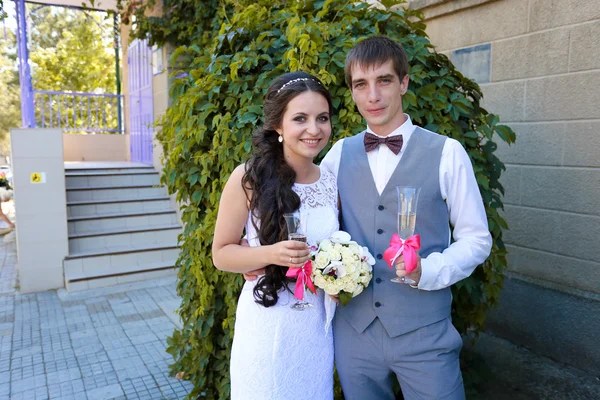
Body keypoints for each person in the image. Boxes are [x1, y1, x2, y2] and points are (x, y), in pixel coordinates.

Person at [319, 36, 493, 399]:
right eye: (360, 84)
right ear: (351, 91)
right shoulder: (337, 154)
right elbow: (314, 225)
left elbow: (476, 239)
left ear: (404, 82)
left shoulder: (447, 152)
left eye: (383, 80)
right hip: (355, 333)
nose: (373, 96)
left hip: (425, 334)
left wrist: (426, 271)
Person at [212, 71, 339, 399]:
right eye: (301, 118)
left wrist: (343, 280)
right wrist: (270, 254)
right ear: (278, 126)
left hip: (316, 329)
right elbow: (221, 253)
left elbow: (339, 250)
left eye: (322, 118)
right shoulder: (248, 178)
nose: (314, 129)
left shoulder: (332, 181)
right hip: (267, 323)